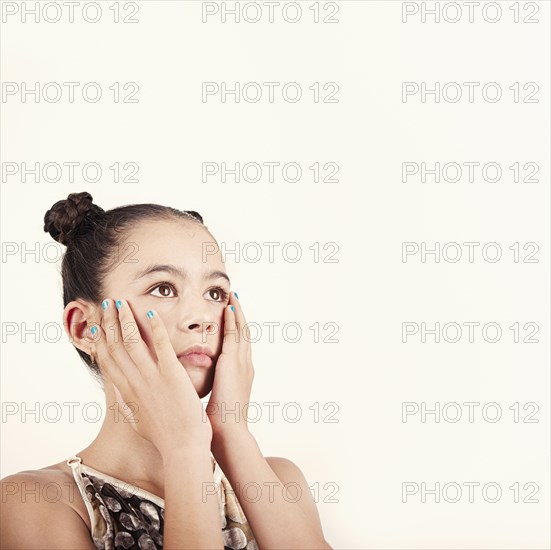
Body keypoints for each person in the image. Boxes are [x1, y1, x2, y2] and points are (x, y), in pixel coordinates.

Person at [0, 191, 333, 550]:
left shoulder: (280, 482)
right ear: (84, 328)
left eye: (216, 293)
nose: (202, 318)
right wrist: (184, 449)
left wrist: (231, 433)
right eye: (163, 288)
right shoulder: (35, 502)